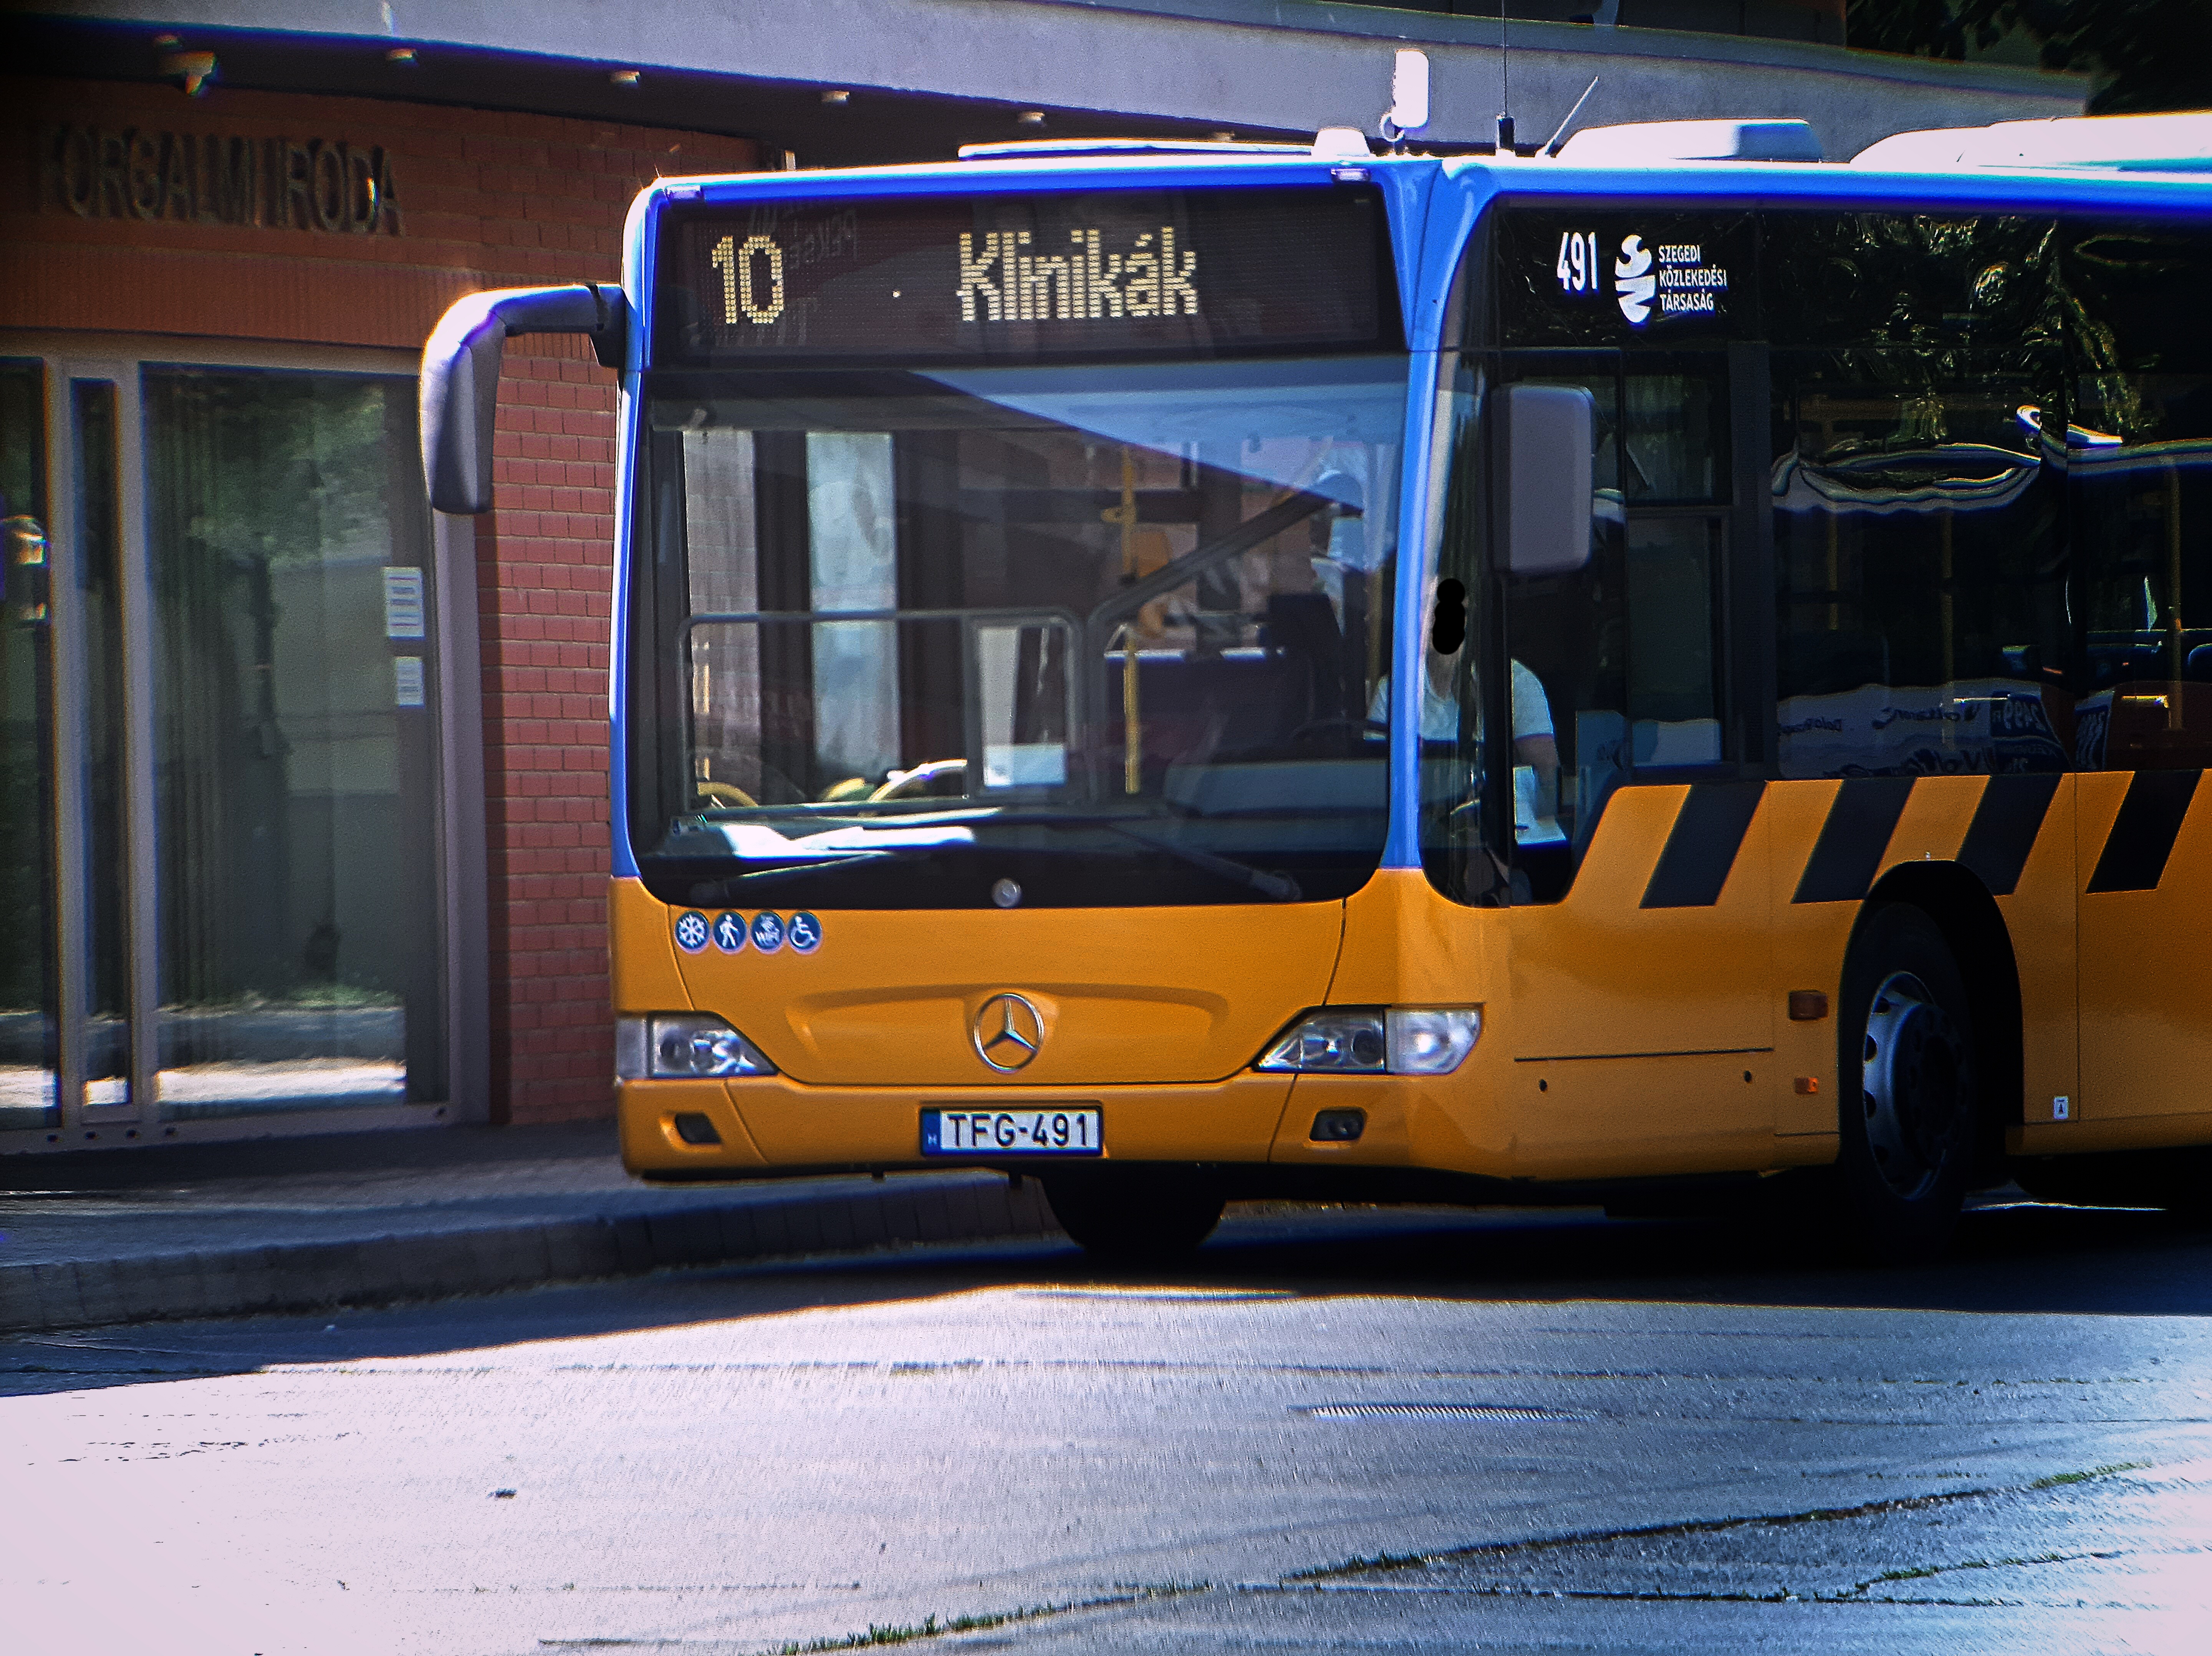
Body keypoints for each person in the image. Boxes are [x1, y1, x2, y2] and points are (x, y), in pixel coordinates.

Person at [1369, 577, 1561, 841]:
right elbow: (1375, 778)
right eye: (1433, 610)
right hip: (1417, 841)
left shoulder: (1514, 682)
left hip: (1500, 840)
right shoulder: (1394, 689)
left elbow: (1547, 775)